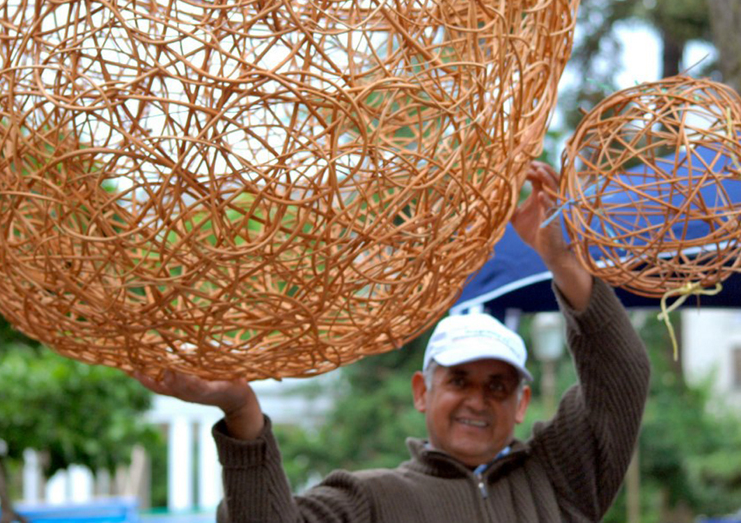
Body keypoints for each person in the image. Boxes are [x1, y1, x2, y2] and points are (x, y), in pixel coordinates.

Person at [134, 161, 651, 522]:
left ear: (522, 404)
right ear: (422, 391)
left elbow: (623, 375)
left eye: (498, 387)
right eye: (459, 380)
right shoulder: (368, 501)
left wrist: (562, 262)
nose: (477, 399)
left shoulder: (563, 477)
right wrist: (242, 410)